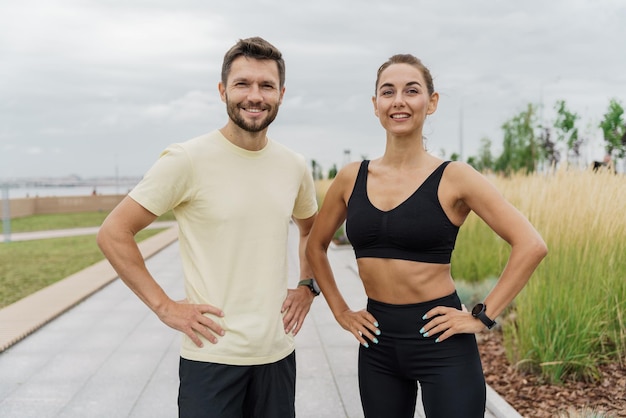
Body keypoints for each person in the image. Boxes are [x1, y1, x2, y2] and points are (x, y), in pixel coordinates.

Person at [305, 54, 548, 418]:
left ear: (431, 102)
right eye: (388, 92)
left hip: (443, 344)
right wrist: (340, 311)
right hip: (377, 345)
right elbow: (315, 246)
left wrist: (481, 317)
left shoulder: (456, 177)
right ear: (375, 105)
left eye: (411, 90)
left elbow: (531, 244)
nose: (398, 100)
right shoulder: (350, 177)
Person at [97, 37, 319, 418]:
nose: (255, 95)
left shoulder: (294, 165)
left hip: (277, 354)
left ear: (281, 94)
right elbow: (113, 233)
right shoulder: (187, 159)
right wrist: (164, 307)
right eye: (242, 84)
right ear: (222, 91)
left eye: (266, 85)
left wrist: (307, 286)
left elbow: (312, 231)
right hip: (211, 357)